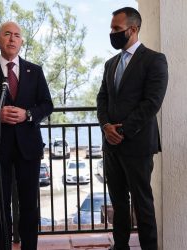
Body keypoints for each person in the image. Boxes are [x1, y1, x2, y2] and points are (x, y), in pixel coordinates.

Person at [0, 21, 53, 250]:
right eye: (7, 34)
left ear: (22, 41)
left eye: (17, 35)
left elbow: (47, 105)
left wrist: (28, 114)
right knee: (0, 206)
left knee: (29, 206)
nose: (12, 39)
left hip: (29, 148)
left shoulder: (34, 71)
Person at [96, 7, 168, 250]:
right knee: (118, 202)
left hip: (137, 144)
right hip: (111, 146)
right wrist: (106, 126)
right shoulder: (110, 63)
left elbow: (152, 103)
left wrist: (123, 131)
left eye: (117, 29)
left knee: (142, 204)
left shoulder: (154, 60)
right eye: (112, 28)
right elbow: (102, 98)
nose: (112, 33)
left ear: (133, 29)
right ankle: (120, 246)